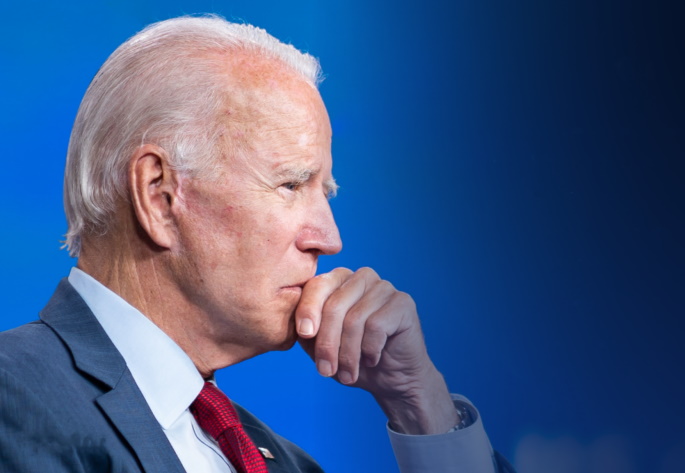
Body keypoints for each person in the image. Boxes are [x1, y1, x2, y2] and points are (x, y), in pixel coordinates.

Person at [0, 15, 514, 473]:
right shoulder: (13, 400)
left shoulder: (285, 463)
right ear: (160, 196)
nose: (329, 239)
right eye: (291, 184)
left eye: (324, 191)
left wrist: (421, 408)